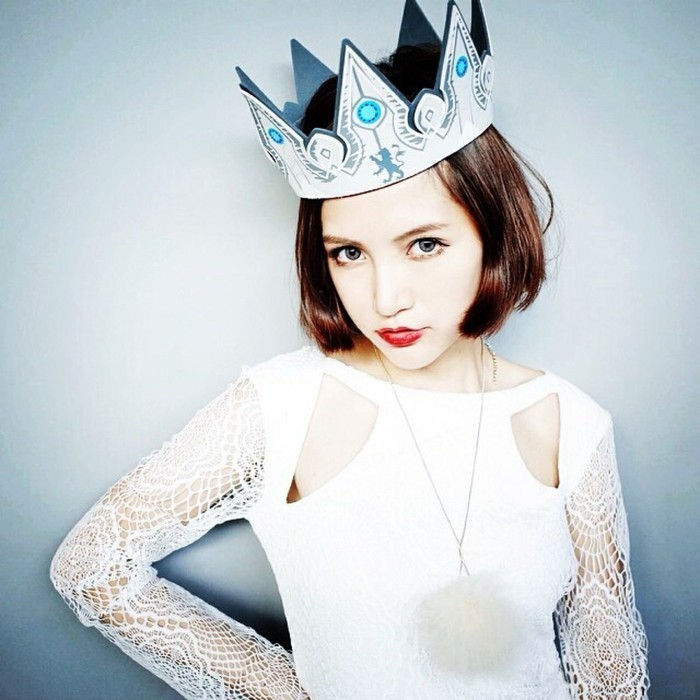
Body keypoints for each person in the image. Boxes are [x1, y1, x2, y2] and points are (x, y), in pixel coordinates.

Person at [50, 1, 650, 698]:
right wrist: (291, 690)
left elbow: (608, 674)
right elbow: (91, 567)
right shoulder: (283, 407)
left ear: (494, 232)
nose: (386, 298)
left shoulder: (572, 423)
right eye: (350, 253)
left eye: (425, 245)